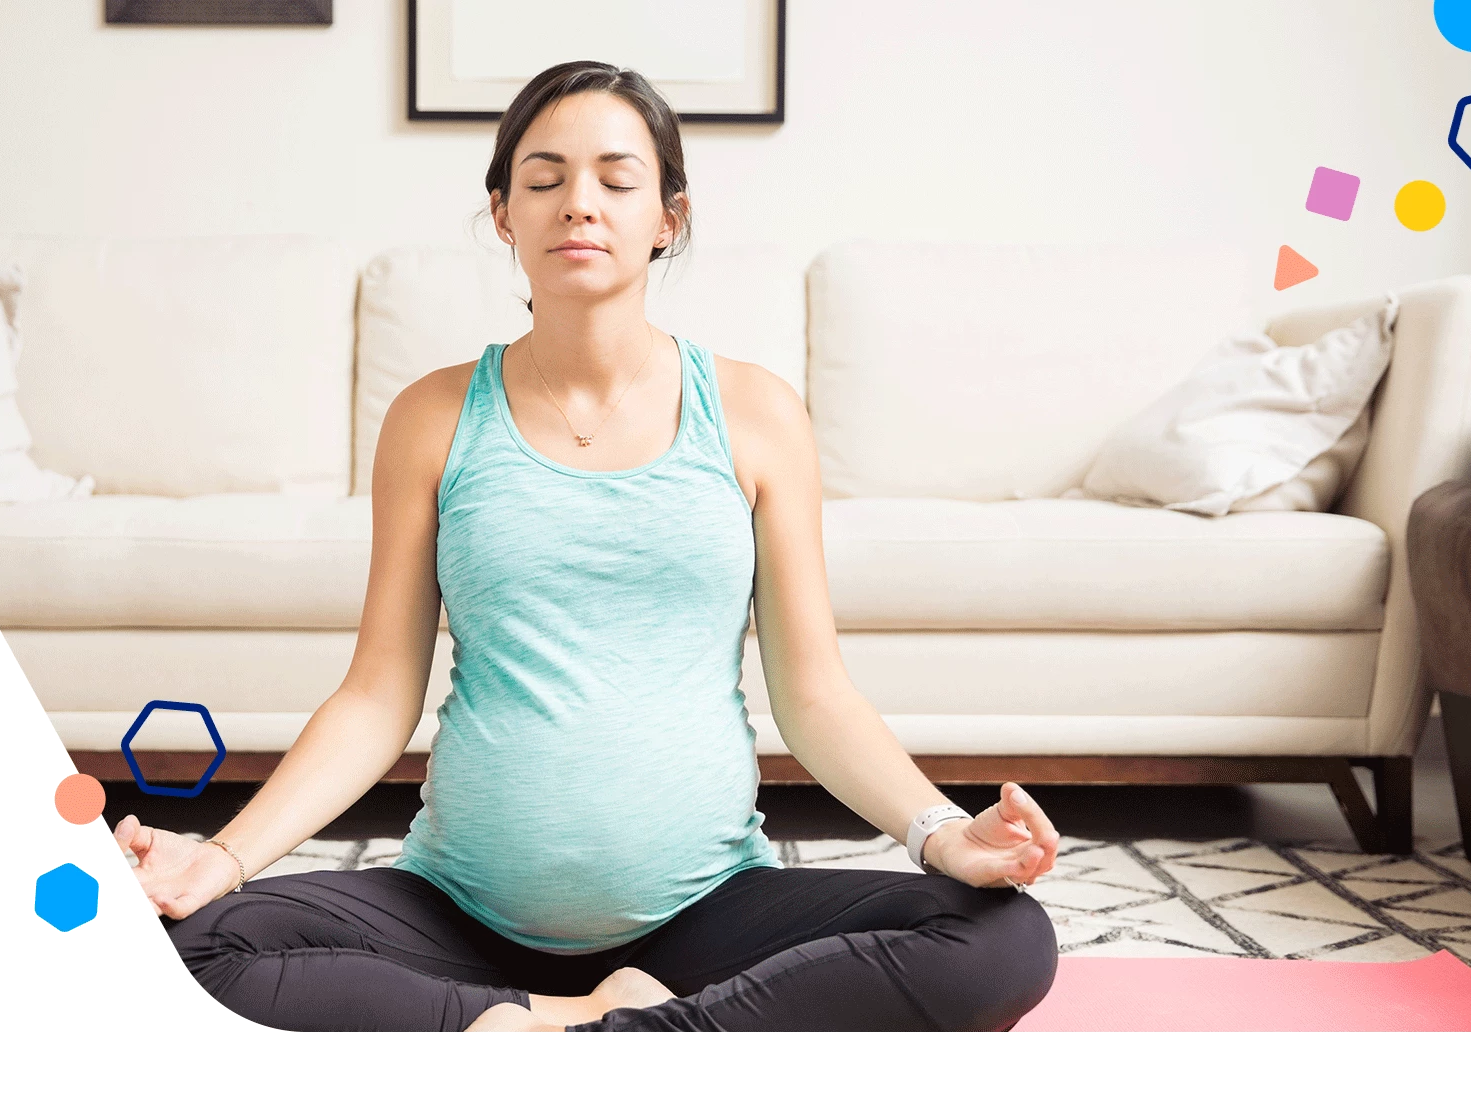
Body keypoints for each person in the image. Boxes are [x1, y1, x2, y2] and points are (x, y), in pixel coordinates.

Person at [115, 60, 1060, 1032]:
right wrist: (222, 856)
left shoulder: (754, 414)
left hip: (705, 912)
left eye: (616, 180)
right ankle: (565, 1014)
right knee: (176, 934)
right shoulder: (431, 416)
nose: (578, 205)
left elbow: (814, 694)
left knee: (1005, 938)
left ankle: (561, 1023)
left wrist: (940, 830)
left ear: (667, 218)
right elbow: (376, 694)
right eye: (543, 179)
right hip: (459, 911)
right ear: (501, 215)